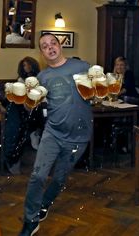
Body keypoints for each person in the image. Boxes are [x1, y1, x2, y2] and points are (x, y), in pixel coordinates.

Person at [18, 33, 93, 236]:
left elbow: (97, 90)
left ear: (60, 46)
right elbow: (29, 107)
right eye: (44, 46)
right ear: (42, 53)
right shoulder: (42, 77)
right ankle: (30, 220)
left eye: (53, 43)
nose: (50, 47)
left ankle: (45, 203)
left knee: (59, 178)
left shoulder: (82, 66)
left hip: (78, 136)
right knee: (38, 175)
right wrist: (27, 99)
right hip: (53, 133)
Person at [3, 57, 45, 175]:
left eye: (28, 65)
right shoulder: (21, 80)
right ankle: (13, 156)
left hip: (38, 106)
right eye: (24, 65)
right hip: (24, 107)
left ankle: (35, 132)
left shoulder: (40, 78)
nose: (26, 67)